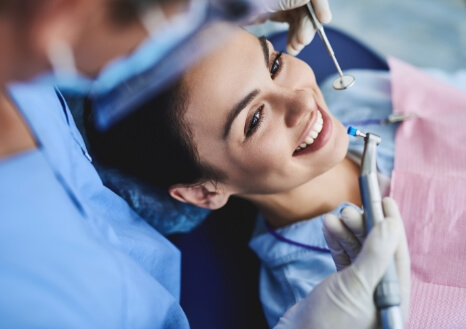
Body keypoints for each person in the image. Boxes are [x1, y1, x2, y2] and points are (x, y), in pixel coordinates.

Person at [0, 1, 409, 328]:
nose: (303, 101)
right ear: (202, 191)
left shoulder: (372, 98)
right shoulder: (311, 291)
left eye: (273, 64)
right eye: (253, 120)